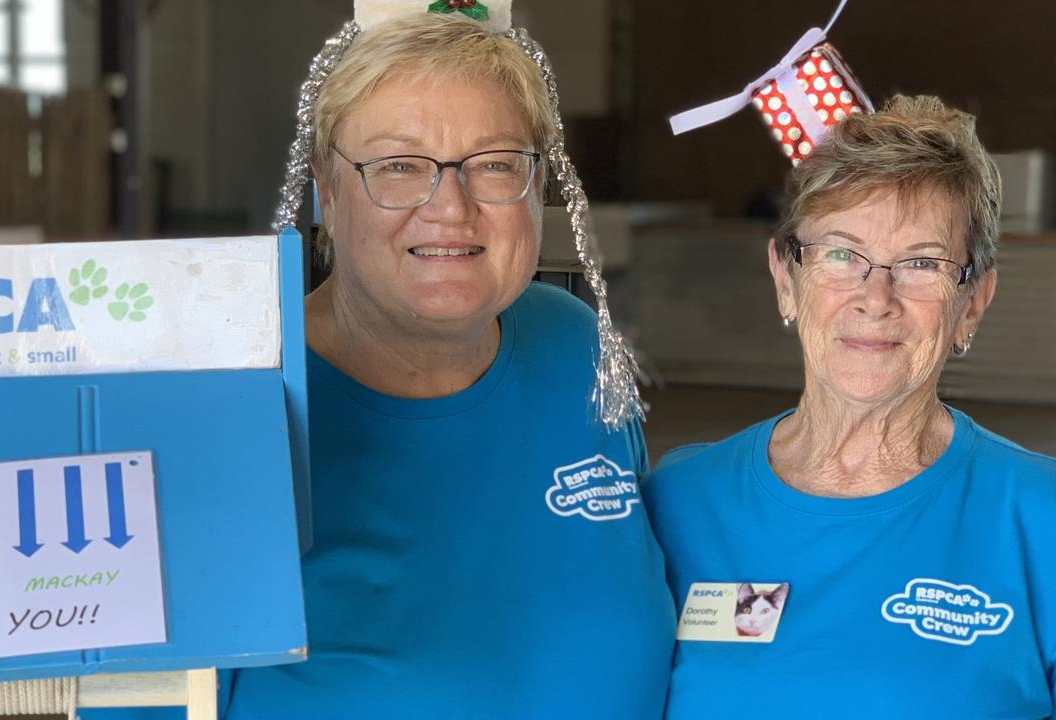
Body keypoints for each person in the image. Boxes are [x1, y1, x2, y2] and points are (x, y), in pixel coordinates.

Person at [220, 9, 675, 719]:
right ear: (327, 192)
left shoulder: (571, 347)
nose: (451, 209)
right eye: (398, 167)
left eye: (494, 164)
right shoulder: (229, 394)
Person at [645, 95, 1056, 717]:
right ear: (787, 279)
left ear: (972, 301)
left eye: (921, 262)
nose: (876, 297)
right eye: (842, 254)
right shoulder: (678, 503)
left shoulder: (1037, 518)